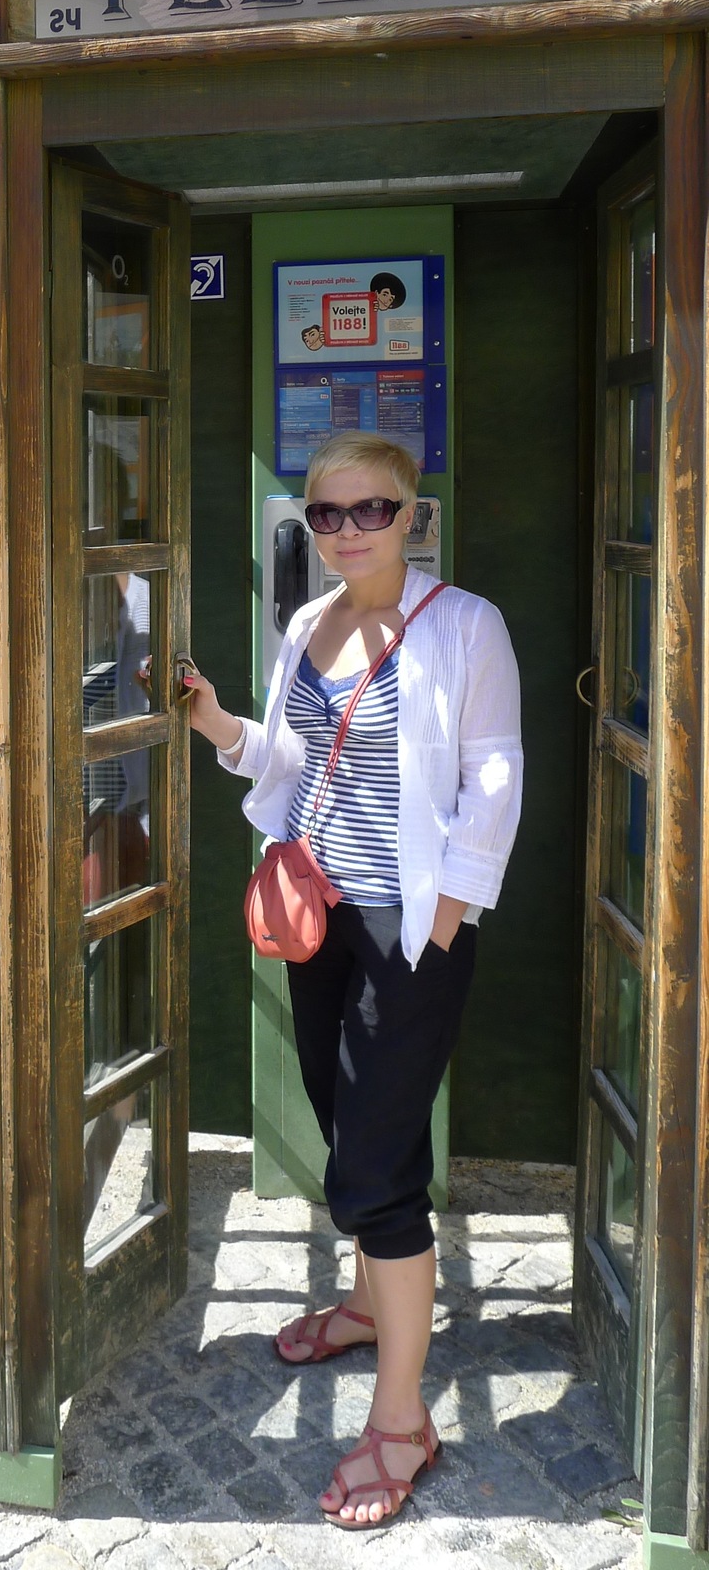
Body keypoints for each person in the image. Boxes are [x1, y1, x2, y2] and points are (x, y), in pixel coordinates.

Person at [185, 431, 522, 1529]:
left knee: (374, 1172)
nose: (345, 531)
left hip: (408, 926)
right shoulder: (305, 624)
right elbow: (290, 762)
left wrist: (445, 915)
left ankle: (399, 1420)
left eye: (369, 509)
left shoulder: (463, 624)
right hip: (319, 918)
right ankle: (374, 1304)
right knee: (344, 1121)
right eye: (323, 514)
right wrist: (217, 724)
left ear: (409, 514)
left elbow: (494, 774)